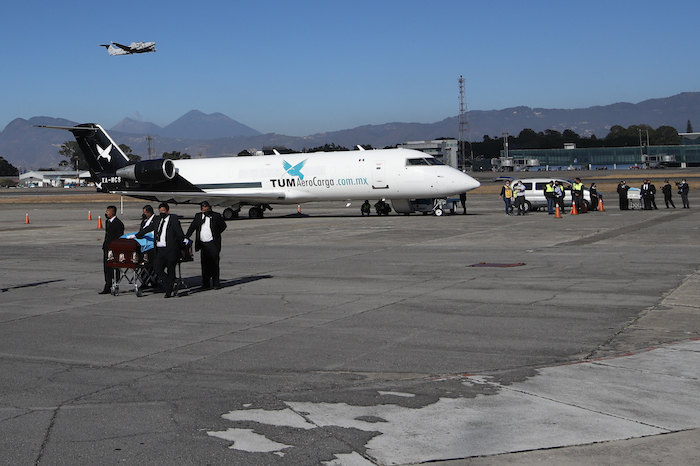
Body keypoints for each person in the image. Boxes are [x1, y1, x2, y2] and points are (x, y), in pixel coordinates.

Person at [137, 202, 185, 298]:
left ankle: (168, 291)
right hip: (160, 249)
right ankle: (170, 282)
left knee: (171, 270)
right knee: (157, 267)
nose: (162, 213)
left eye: (163, 211)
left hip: (171, 249)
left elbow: (180, 234)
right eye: (160, 211)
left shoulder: (174, 220)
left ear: (168, 211)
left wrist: (181, 248)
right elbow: (149, 228)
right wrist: (139, 234)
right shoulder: (158, 220)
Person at [185, 201, 227, 290]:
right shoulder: (198, 216)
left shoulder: (216, 216)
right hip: (203, 244)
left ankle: (216, 283)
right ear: (201, 210)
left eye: (208, 209)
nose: (206, 211)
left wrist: (216, 233)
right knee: (205, 264)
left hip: (213, 244)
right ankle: (206, 283)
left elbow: (223, 226)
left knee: (214, 263)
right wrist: (186, 237)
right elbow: (192, 227)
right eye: (204, 210)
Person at [100, 205, 124, 294]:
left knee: (114, 267)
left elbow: (119, 236)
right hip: (107, 247)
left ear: (112, 213)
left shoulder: (118, 223)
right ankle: (107, 285)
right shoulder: (108, 222)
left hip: (114, 248)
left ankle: (116, 283)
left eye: (107, 212)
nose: (106, 213)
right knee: (107, 267)